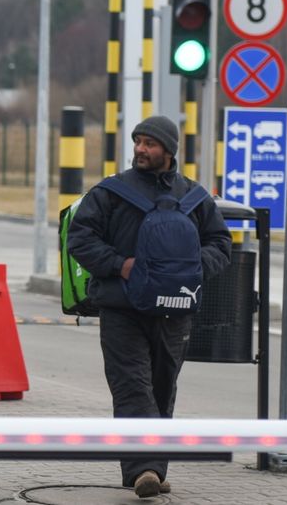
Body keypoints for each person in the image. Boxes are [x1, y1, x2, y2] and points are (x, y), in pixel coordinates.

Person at [67, 116, 231, 499]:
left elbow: (220, 243)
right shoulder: (111, 192)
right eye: (138, 141)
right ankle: (145, 470)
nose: (141, 149)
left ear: (169, 151)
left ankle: (152, 469)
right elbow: (81, 237)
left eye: (150, 143)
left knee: (161, 390)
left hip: (175, 310)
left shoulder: (195, 197)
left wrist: (191, 270)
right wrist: (119, 265)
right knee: (132, 387)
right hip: (121, 308)